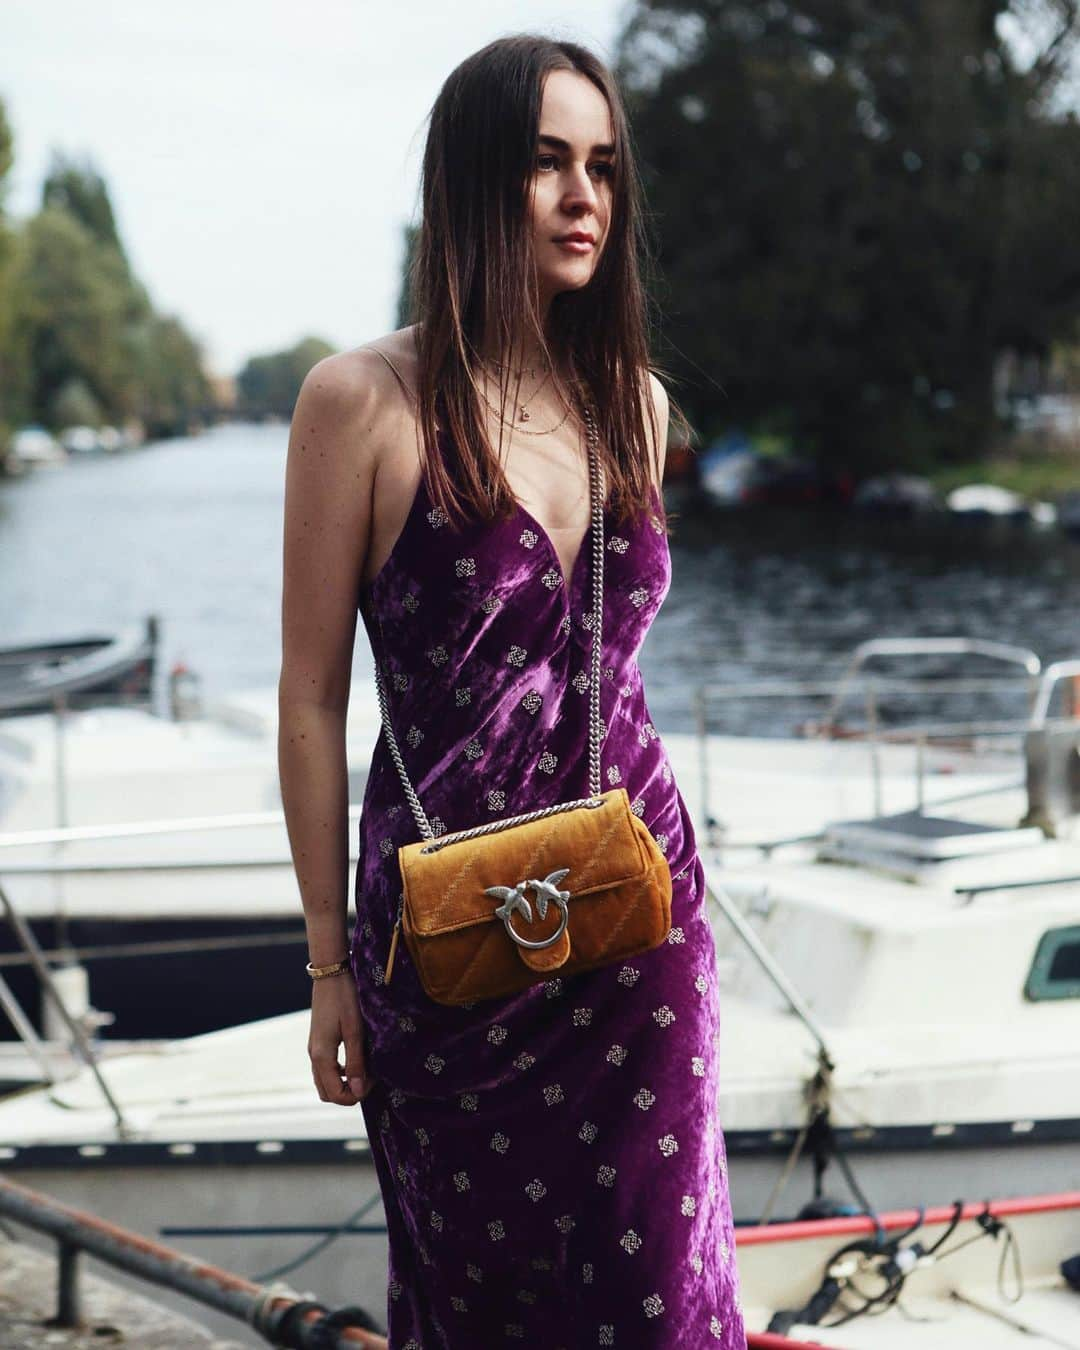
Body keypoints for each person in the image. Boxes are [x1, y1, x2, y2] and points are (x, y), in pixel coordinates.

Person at [278, 32, 747, 1349]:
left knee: (658, 1287)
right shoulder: (361, 403)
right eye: (547, 163)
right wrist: (326, 965)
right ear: (476, 184)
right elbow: (309, 697)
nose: (584, 193)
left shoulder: (636, 407)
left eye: (603, 165)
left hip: (636, 912)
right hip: (447, 939)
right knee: (475, 1298)